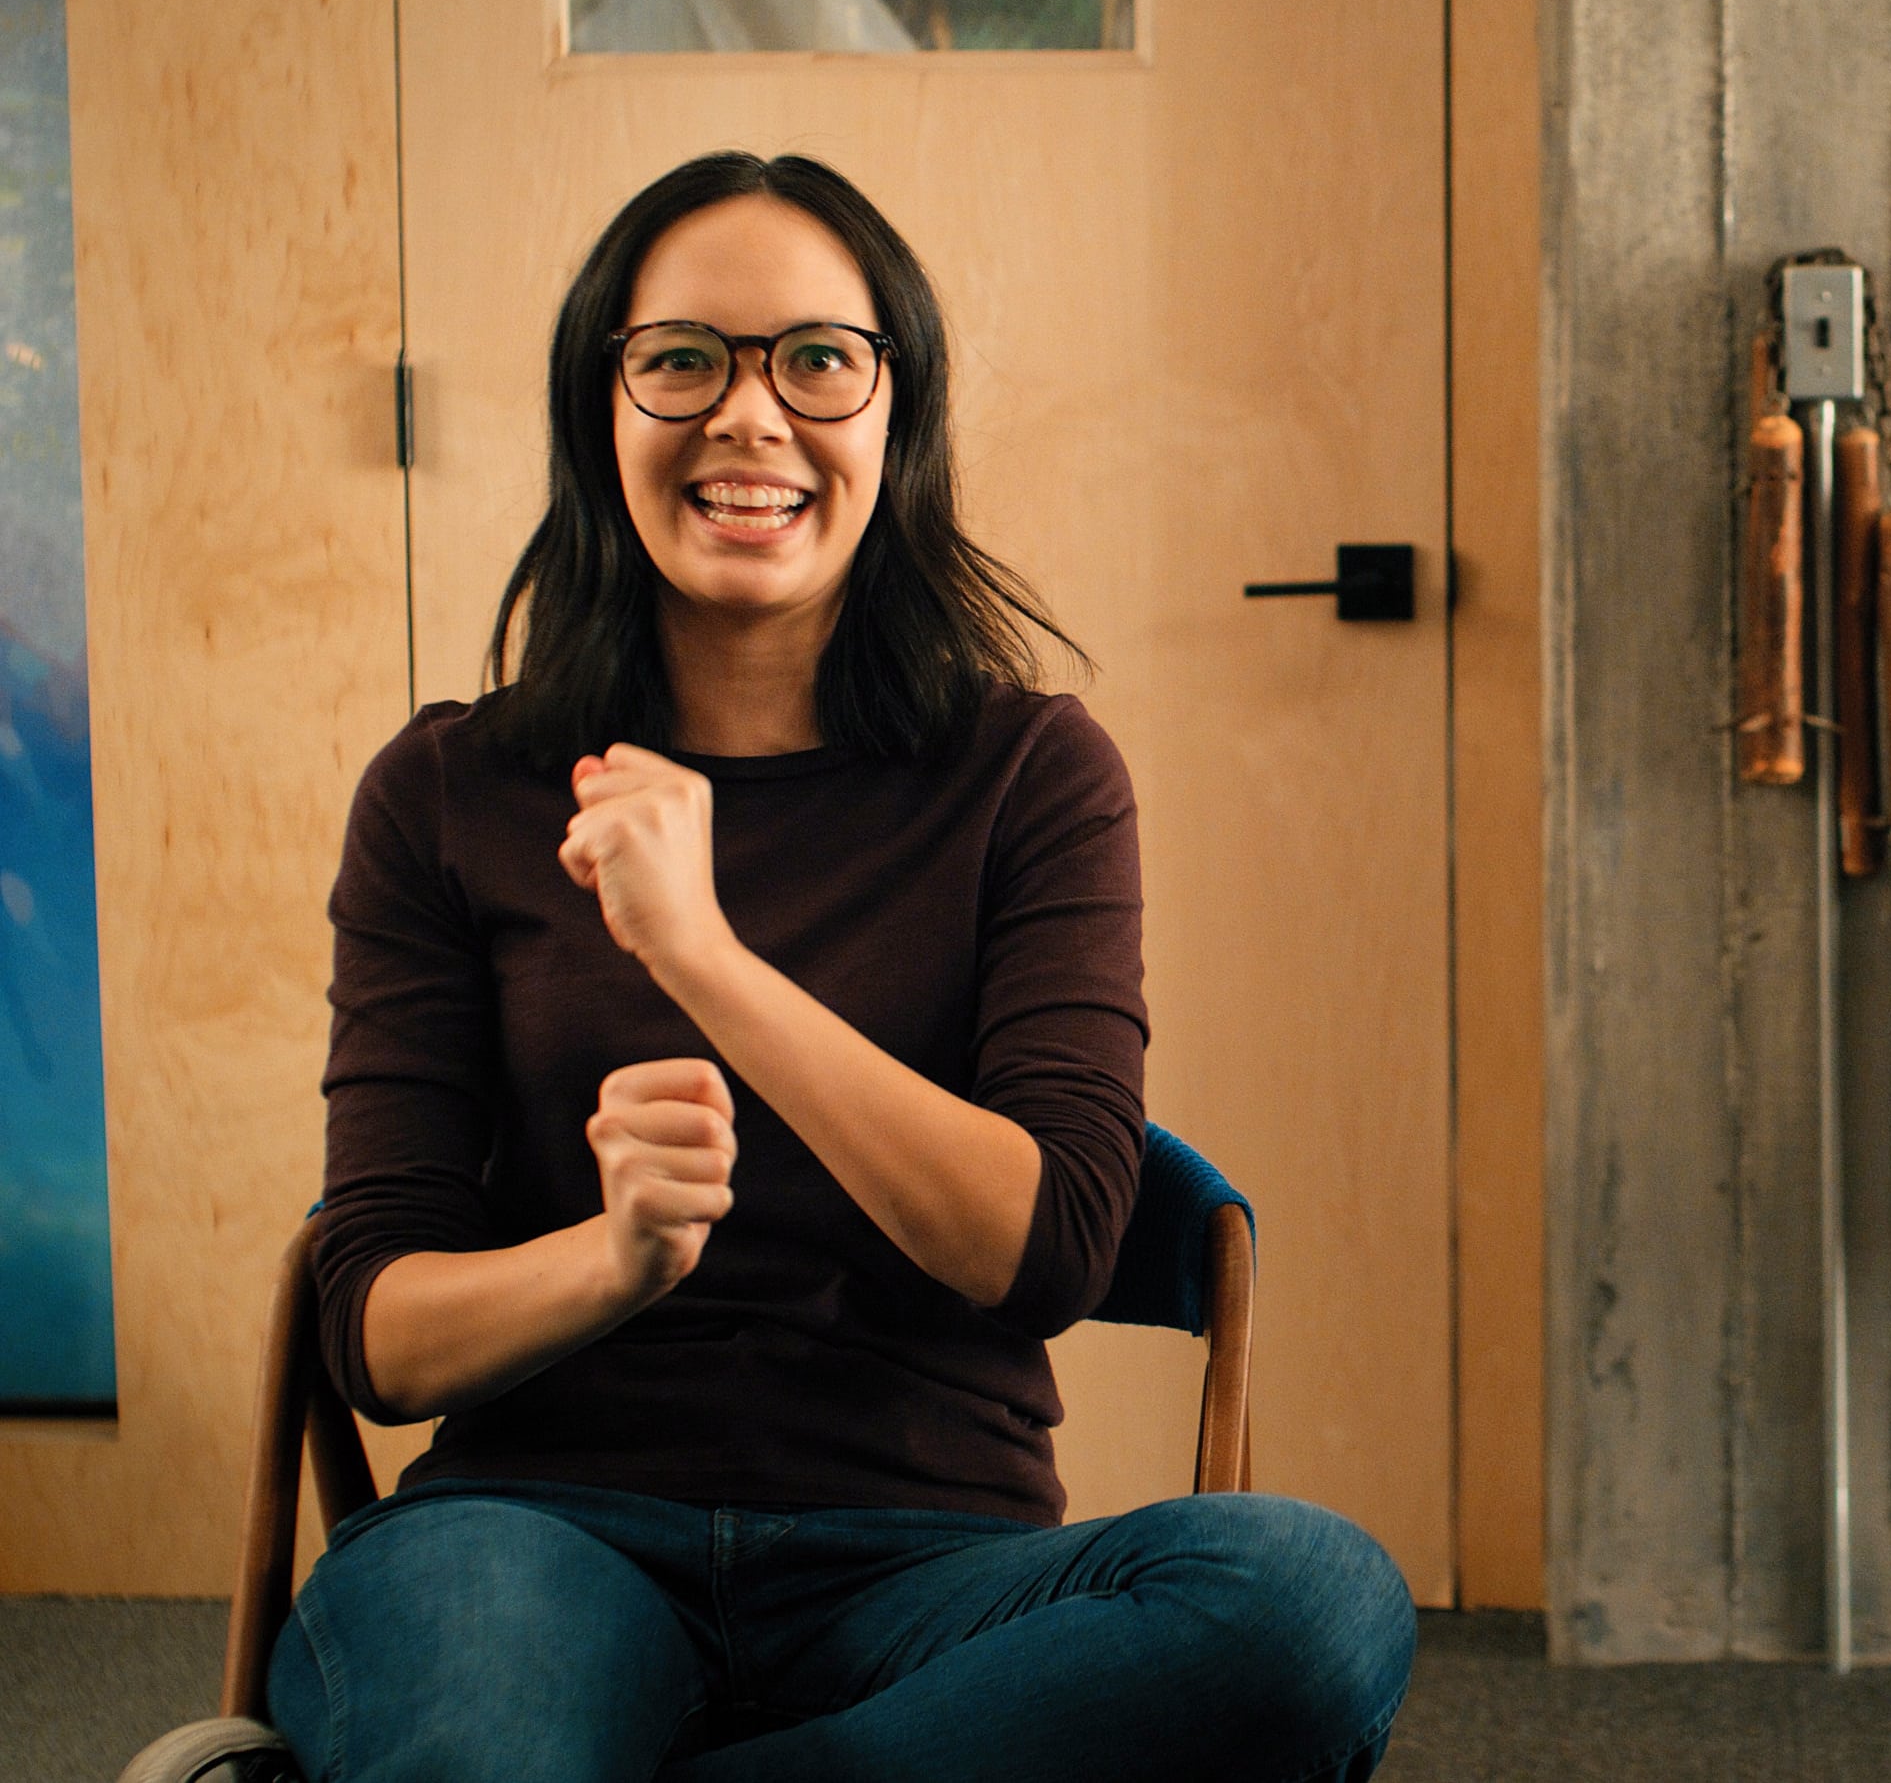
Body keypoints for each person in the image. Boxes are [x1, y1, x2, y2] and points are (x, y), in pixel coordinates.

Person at [284, 152, 1413, 1783]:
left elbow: (1050, 1247)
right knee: (487, 1726)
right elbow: (376, 1338)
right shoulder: (451, 789)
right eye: (682, 359)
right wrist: (610, 1259)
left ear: (898, 412)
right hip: (529, 1534)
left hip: (929, 1563)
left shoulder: (1031, 774)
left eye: (818, 359)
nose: (750, 416)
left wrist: (703, 954)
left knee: (1308, 1596)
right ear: (601, 408)